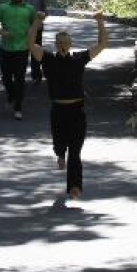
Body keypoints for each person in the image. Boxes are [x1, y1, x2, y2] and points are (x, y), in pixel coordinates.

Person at [27, 10, 108, 199]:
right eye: (59, 43)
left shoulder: (79, 59)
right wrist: (37, 22)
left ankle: (74, 186)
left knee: (75, 151)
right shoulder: (48, 59)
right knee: (59, 142)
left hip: (77, 110)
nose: (63, 46)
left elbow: (103, 44)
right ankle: (59, 153)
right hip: (58, 109)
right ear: (56, 45)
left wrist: (100, 22)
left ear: (70, 44)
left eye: (65, 43)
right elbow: (30, 44)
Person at [0, 0, 36, 120]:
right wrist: (3, 32)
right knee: (6, 78)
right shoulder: (2, 8)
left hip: (22, 49)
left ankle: (18, 108)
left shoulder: (29, 9)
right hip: (6, 49)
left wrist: (32, 30)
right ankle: (11, 95)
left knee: (20, 78)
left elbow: (36, 25)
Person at [22, 0, 48, 82]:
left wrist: (41, 18)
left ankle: (36, 74)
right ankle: (20, 75)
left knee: (36, 50)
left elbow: (45, 10)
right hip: (23, 27)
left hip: (37, 27)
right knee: (22, 52)